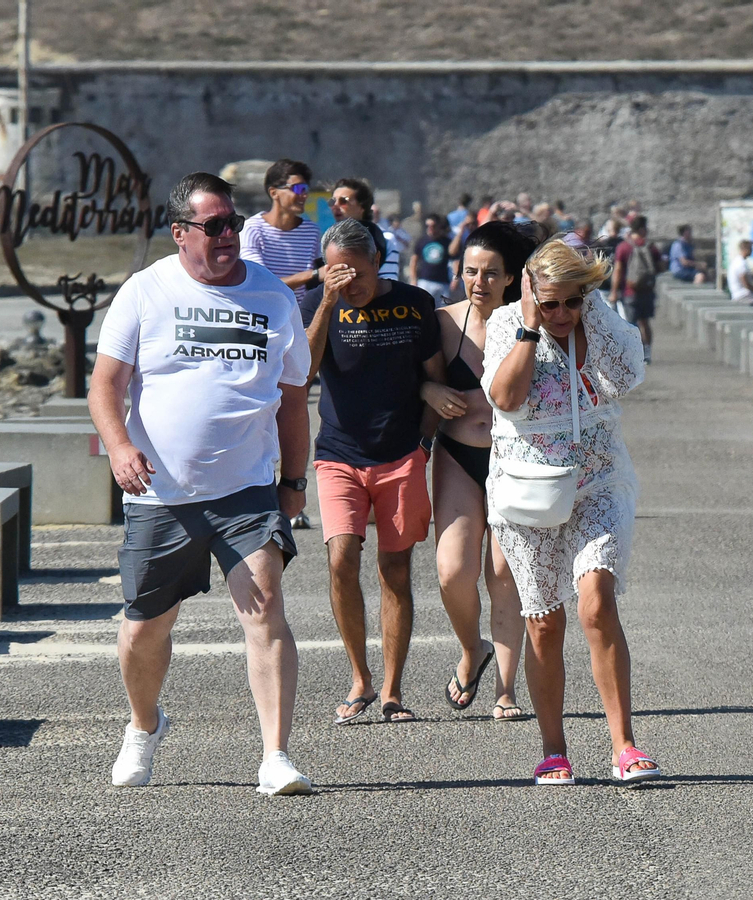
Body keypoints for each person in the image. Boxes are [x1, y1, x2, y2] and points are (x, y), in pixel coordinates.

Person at [92, 172, 314, 795]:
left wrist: (294, 480)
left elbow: (294, 399)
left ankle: (275, 755)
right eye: (213, 226)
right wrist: (119, 447)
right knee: (145, 628)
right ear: (180, 233)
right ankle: (144, 726)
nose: (227, 235)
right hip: (161, 492)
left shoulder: (273, 296)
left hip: (245, 489)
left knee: (265, 609)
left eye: (233, 223)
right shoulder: (146, 290)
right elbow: (105, 384)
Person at [483, 238, 660, 786]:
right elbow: (505, 398)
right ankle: (553, 749)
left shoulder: (598, 322)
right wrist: (529, 329)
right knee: (543, 623)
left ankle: (624, 745)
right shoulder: (506, 324)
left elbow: (626, 378)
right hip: (529, 488)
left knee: (597, 601)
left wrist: (592, 315)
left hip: (599, 479)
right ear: (530, 293)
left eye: (572, 301)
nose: (561, 314)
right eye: (550, 303)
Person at [300, 218, 446, 726]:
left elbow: (435, 379)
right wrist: (326, 301)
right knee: (341, 557)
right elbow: (304, 370)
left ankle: (391, 690)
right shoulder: (319, 303)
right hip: (339, 454)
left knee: (395, 569)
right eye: (337, 273)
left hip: (401, 454)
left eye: (357, 273)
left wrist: (423, 445)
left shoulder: (414, 303)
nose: (350, 284)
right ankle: (359, 677)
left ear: (378, 263)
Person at [425, 222, 535, 721]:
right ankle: (473, 649)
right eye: (470, 271)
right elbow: (410, 379)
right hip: (457, 455)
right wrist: (428, 390)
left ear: (511, 277)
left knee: (504, 574)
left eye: (491, 273)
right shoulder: (443, 322)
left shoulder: (529, 323)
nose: (479, 282)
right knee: (453, 571)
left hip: (514, 460)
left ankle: (506, 691)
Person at [239, 158, 321, 302]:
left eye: (305, 189)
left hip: (299, 313)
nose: (304, 195)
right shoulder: (252, 229)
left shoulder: (312, 231)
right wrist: (313, 274)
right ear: (274, 193)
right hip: (263, 312)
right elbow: (260, 284)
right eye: (297, 188)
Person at [611, 215, 662, 364]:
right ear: (642, 229)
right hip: (647, 290)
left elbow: (618, 270)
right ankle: (647, 353)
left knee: (631, 323)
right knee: (645, 322)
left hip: (630, 291)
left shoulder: (623, 247)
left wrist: (614, 291)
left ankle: (634, 353)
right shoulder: (651, 247)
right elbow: (660, 267)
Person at [329, 178, 399, 281]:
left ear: (362, 207)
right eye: (332, 201)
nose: (335, 206)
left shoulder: (386, 239)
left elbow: (388, 281)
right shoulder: (327, 241)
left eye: (343, 201)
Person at [411, 214, 454, 304]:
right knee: (423, 307)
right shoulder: (422, 241)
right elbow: (414, 261)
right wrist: (413, 279)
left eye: (433, 226)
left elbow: (455, 260)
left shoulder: (447, 242)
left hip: (442, 282)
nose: (430, 228)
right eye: (428, 226)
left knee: (443, 309)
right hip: (424, 281)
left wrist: (455, 279)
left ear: (439, 226)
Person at [726, 239, 753, 306]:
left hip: (738, 294)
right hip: (742, 295)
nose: (752, 251)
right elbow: (744, 281)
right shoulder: (741, 263)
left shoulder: (737, 261)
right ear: (746, 249)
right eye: (750, 249)